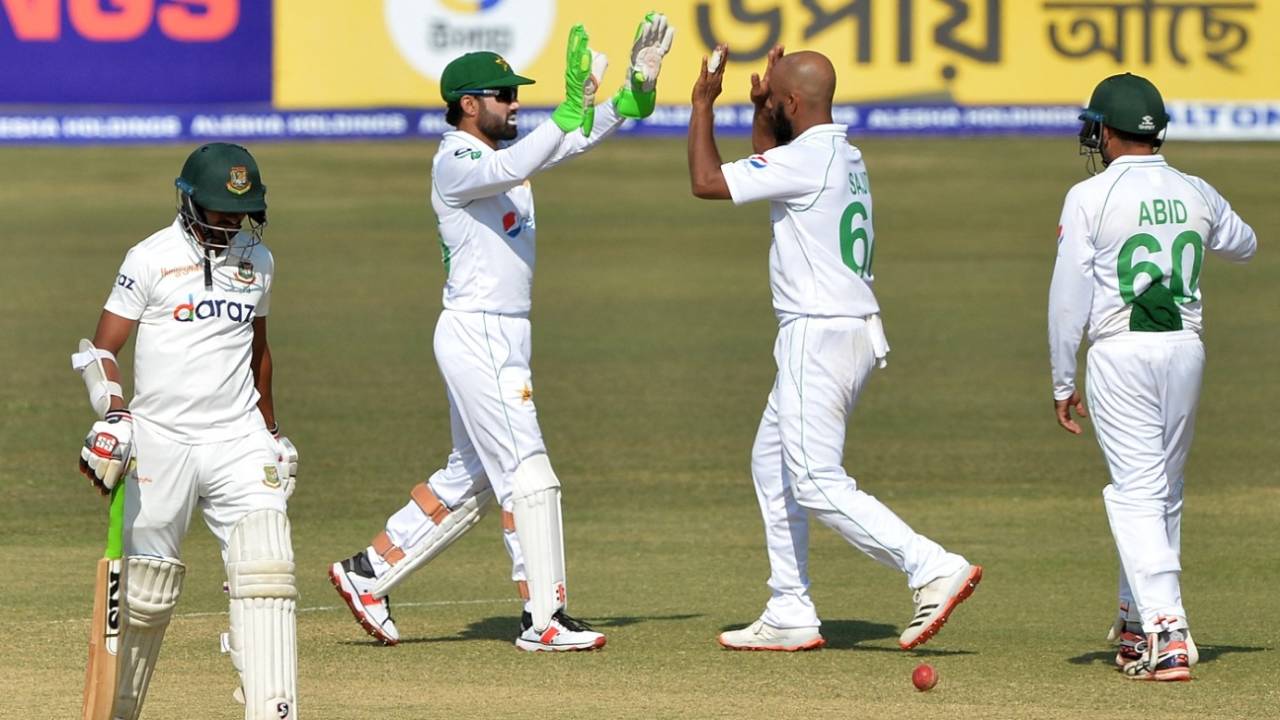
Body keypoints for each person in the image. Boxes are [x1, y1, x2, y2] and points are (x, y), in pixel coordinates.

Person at [328, 15, 674, 652]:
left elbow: (560, 144)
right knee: (528, 474)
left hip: (502, 335)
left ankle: (369, 572)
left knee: (474, 477)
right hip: (480, 333)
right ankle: (543, 618)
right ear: (468, 105)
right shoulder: (457, 159)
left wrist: (626, 100)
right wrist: (572, 109)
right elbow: (530, 152)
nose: (515, 104)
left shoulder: (494, 155)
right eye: (504, 96)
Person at [686, 45, 982, 652]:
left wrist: (702, 104)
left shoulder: (809, 159)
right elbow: (769, 161)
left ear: (794, 103)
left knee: (816, 481)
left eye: (776, 101)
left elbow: (707, 181)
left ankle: (931, 566)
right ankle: (789, 609)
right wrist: (765, 111)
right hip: (850, 331)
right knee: (772, 465)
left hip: (816, 335)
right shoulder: (842, 153)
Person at [73, 142, 300, 718]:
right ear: (188, 200)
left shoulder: (259, 261)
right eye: (220, 212)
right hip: (161, 440)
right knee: (145, 594)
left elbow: (259, 350)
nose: (231, 225)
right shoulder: (148, 257)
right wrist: (114, 415)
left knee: (267, 572)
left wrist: (271, 431)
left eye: (240, 214)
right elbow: (101, 349)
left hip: (238, 438)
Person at [1049, 72, 1256, 681]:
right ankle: (1137, 625)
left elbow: (1067, 299)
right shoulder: (1195, 189)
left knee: (1135, 493)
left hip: (1121, 352)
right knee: (1161, 490)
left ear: (1108, 132)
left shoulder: (1089, 197)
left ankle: (1167, 629)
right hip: (1185, 350)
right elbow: (1243, 244)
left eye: (1096, 127)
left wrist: (1064, 379)